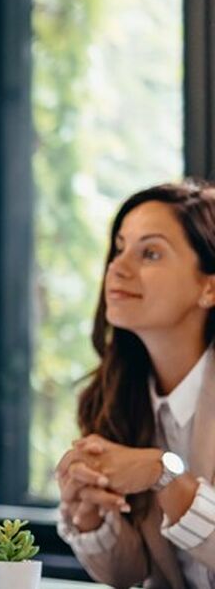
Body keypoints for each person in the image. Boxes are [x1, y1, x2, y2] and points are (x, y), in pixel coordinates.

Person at [56, 180, 215, 588]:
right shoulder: (118, 397)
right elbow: (130, 575)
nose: (117, 267)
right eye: (119, 248)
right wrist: (89, 516)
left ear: (209, 286)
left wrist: (164, 473)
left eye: (150, 253)